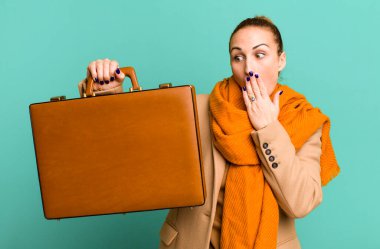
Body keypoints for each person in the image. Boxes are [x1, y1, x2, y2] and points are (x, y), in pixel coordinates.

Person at [77, 16, 340, 249]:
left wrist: (269, 129)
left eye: (260, 55)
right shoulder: (199, 108)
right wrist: (107, 94)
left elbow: (301, 202)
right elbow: (131, 152)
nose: (248, 67)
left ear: (281, 60)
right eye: (238, 56)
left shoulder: (303, 118)